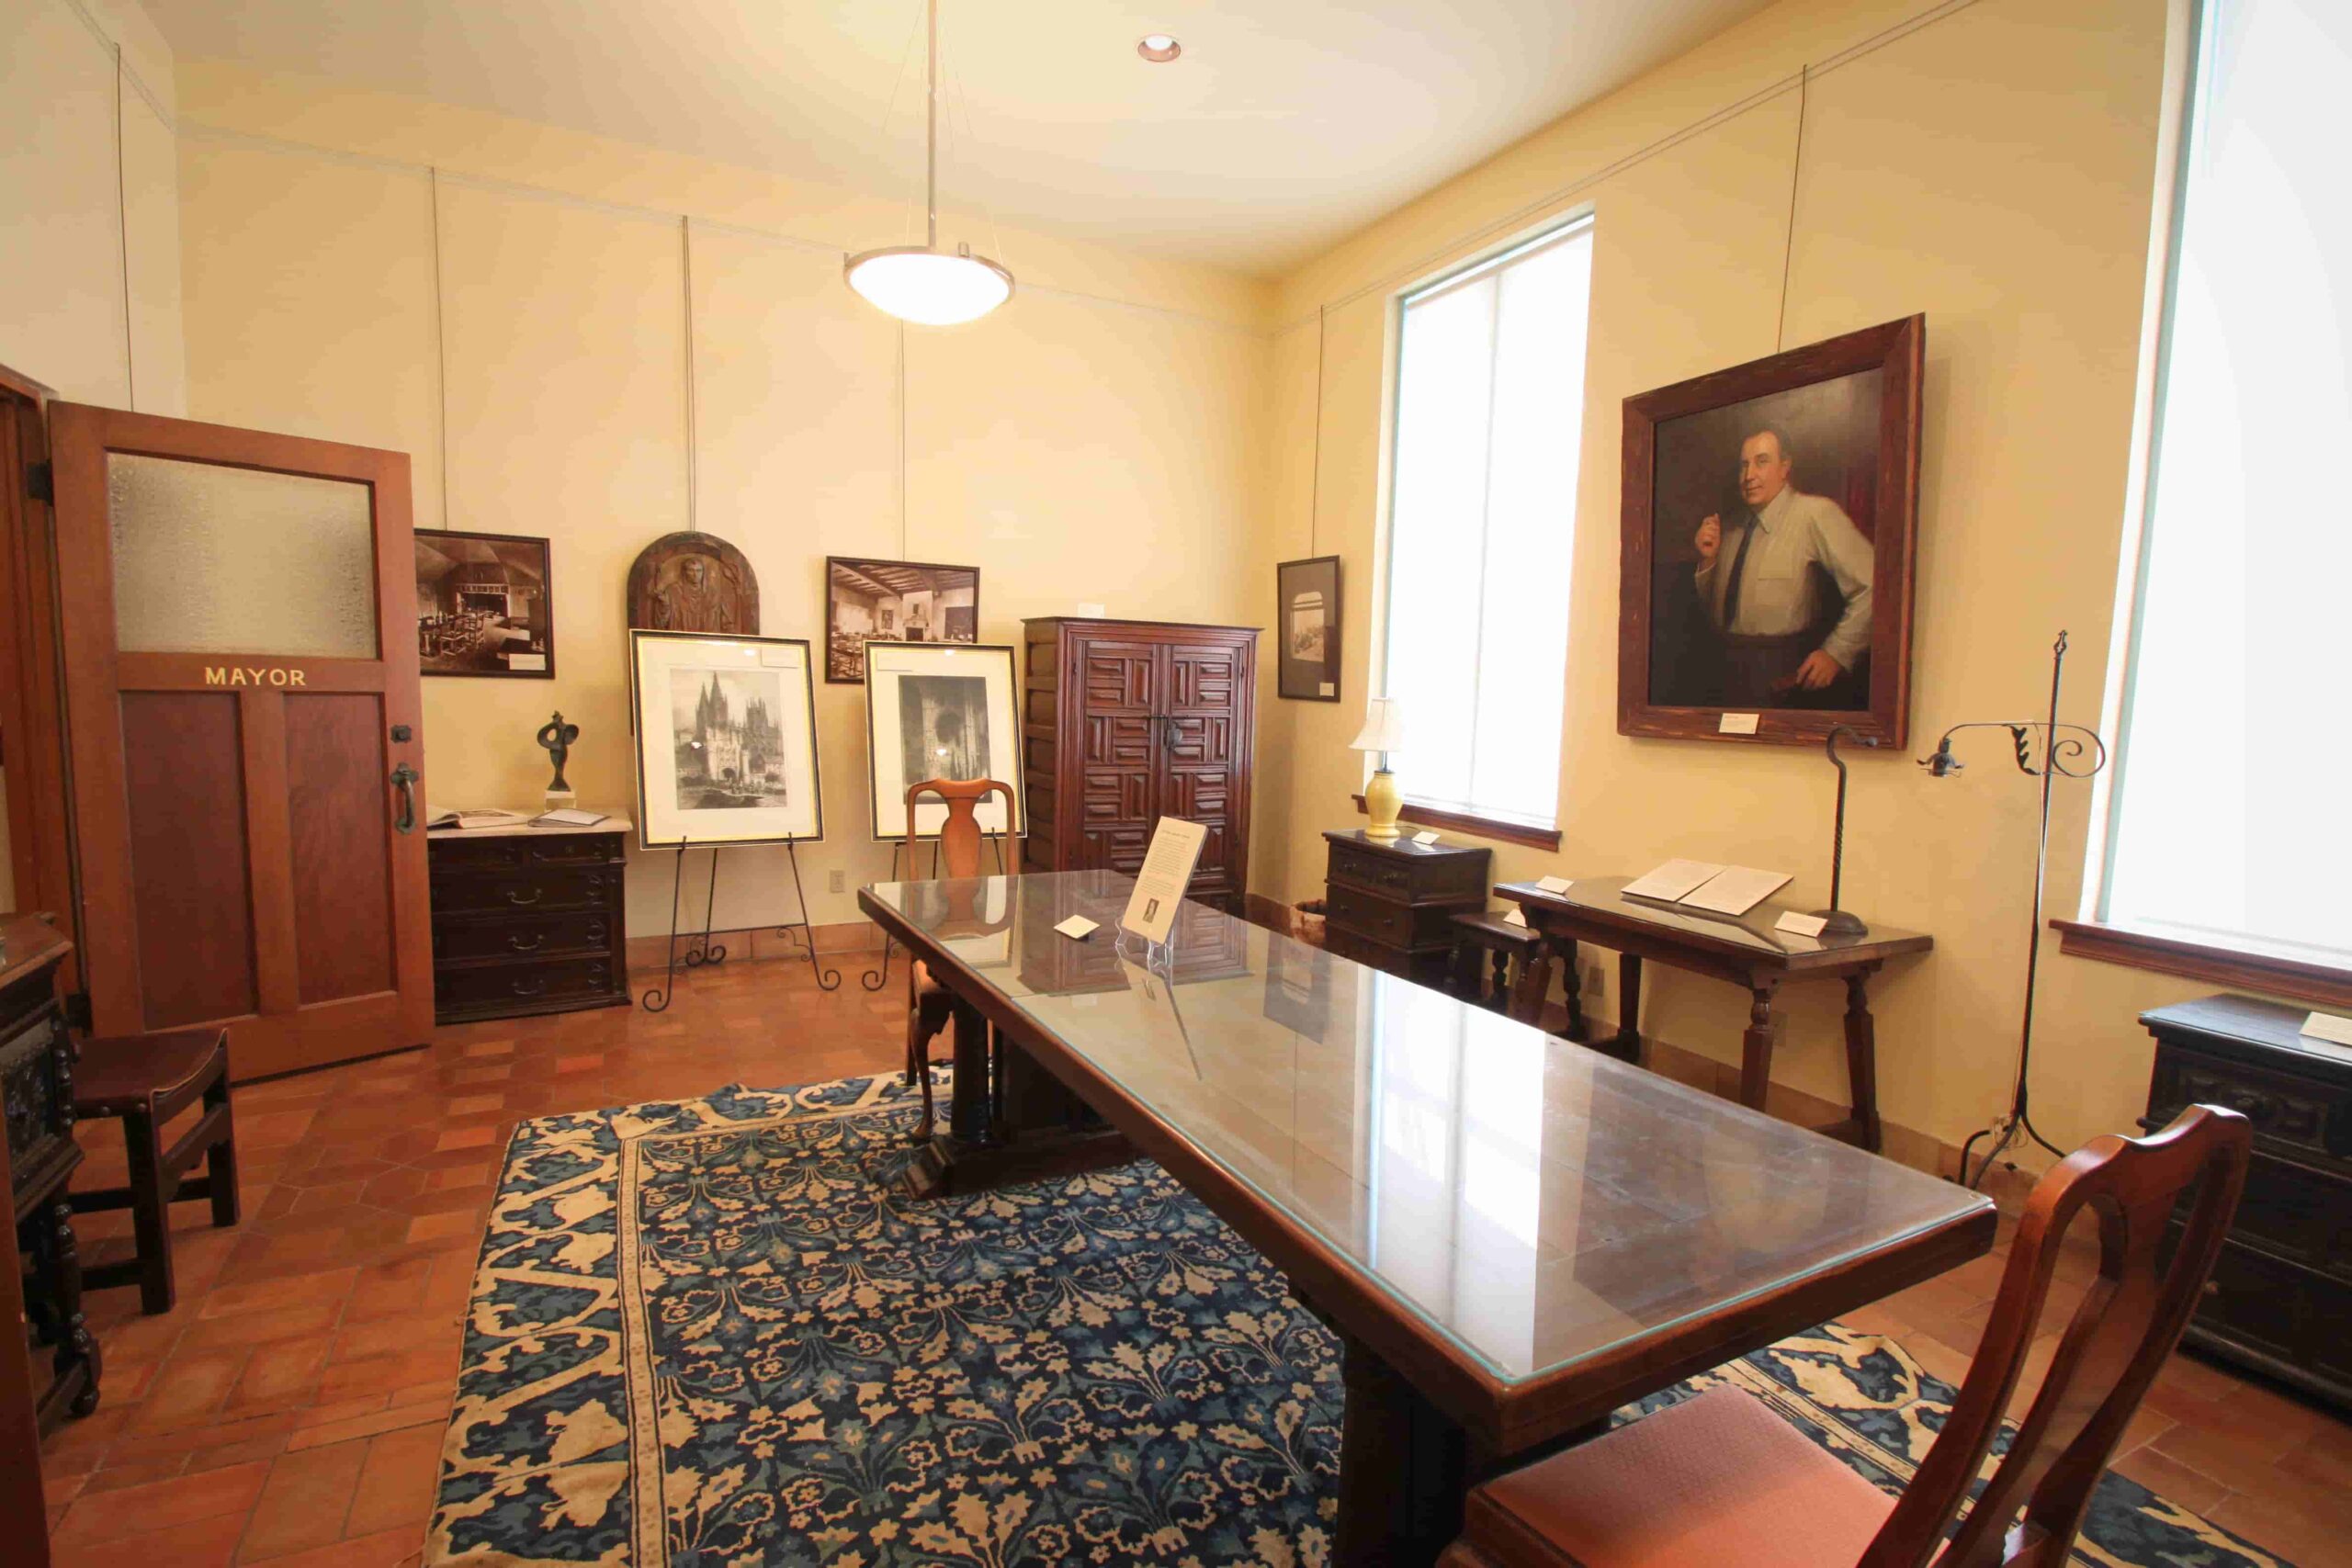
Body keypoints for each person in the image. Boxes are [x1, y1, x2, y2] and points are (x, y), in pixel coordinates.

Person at [1689, 427, 1874, 707]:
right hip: (1726, 675)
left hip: (1785, 678)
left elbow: (1874, 585)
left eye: (1761, 462)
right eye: (1744, 465)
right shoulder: (1730, 526)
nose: (1749, 476)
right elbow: (1712, 613)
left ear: (1785, 467)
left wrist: (1837, 652)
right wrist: (1708, 560)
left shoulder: (1815, 513)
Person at [651, 555, 738, 633]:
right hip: (678, 640)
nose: (695, 574)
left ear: (703, 572)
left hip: (709, 642)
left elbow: (726, 622)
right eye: (691, 570)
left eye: (698, 571)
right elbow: (662, 622)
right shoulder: (674, 591)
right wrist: (664, 605)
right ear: (684, 572)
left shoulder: (713, 593)